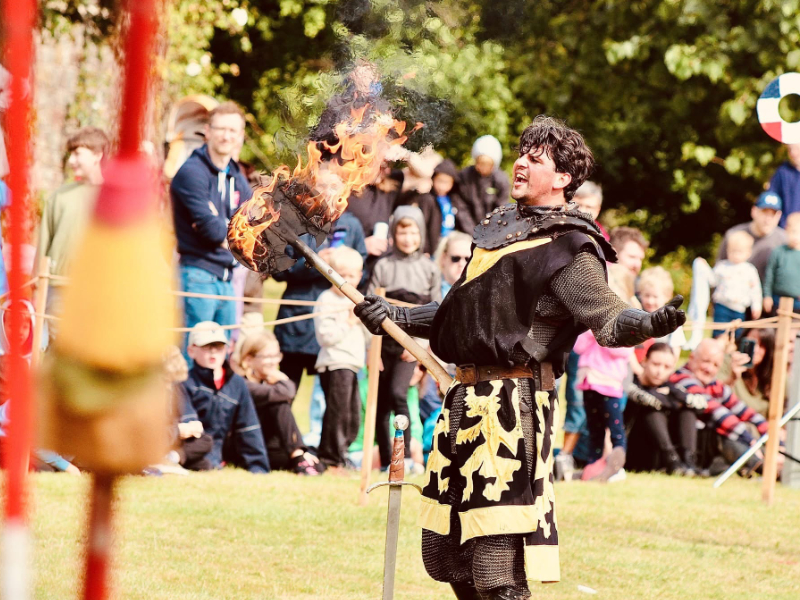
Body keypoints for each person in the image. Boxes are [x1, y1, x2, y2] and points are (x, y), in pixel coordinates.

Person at [355, 115, 685, 600]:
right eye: (521, 153)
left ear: (564, 177)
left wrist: (648, 324)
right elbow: (456, 313)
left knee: (496, 563)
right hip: (462, 401)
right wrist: (396, 316)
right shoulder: (496, 230)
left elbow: (610, 319)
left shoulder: (570, 244)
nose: (521, 163)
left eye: (537, 157)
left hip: (513, 407)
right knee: (446, 555)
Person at [170, 101, 253, 349]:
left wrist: (229, 228)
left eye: (233, 131)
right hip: (198, 275)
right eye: (221, 129)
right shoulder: (191, 172)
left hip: (227, 279)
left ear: (240, 137)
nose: (226, 136)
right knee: (194, 352)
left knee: (222, 355)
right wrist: (231, 230)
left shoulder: (237, 176)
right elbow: (211, 229)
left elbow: (251, 222)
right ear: (207, 131)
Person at [368, 205, 441, 470]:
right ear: (393, 233)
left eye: (413, 232)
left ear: (421, 233)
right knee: (381, 403)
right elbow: (369, 311)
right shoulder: (383, 266)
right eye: (402, 232)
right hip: (382, 343)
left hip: (410, 345)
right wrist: (371, 352)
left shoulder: (429, 268)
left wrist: (420, 346)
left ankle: (407, 458)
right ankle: (386, 461)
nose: (408, 238)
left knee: (400, 394)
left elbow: (437, 313)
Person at [273, 211, 366, 390]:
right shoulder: (294, 222)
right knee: (287, 388)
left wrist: (345, 268)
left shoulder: (352, 224)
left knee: (335, 397)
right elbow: (277, 270)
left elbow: (363, 271)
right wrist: (313, 264)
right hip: (297, 319)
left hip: (336, 321)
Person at [36, 126, 109, 342]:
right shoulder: (59, 197)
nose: (71, 161)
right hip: (59, 292)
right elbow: (43, 249)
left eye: (78, 154)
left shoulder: (114, 198)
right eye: (71, 154)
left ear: (97, 155)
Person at [181, 321, 270, 473]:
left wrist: (258, 467)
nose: (214, 352)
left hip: (224, 453)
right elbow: (190, 428)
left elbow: (249, 427)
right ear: (191, 351)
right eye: (207, 347)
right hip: (194, 454)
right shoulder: (184, 383)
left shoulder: (237, 383)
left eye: (219, 347)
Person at [670, 338, 767, 473]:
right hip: (692, 448)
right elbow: (717, 412)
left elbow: (744, 411)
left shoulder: (713, 385)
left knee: (745, 428)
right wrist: (750, 441)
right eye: (706, 361)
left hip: (708, 447)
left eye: (716, 365)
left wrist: (772, 437)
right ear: (692, 357)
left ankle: (772, 463)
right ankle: (766, 468)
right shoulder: (682, 378)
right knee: (730, 430)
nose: (709, 369)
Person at [313, 247, 370, 470]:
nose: (346, 280)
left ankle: (340, 453)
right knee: (337, 414)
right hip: (335, 362)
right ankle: (330, 458)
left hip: (354, 363)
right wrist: (348, 321)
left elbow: (366, 335)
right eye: (341, 275)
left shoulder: (357, 299)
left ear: (360, 275)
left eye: (352, 275)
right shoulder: (325, 299)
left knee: (352, 415)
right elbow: (325, 337)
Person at [239, 330, 322, 475]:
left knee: (318, 464)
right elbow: (288, 392)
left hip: (270, 445)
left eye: (276, 355)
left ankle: (301, 456)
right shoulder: (244, 385)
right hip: (246, 446)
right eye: (267, 356)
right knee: (279, 403)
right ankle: (299, 457)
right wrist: (281, 378)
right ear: (249, 359)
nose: (274, 361)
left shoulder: (268, 383)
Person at [625, 343, 707, 475]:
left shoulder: (671, 387)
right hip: (636, 451)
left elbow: (701, 405)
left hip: (659, 453)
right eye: (656, 364)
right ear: (645, 361)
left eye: (667, 367)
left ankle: (688, 462)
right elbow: (651, 401)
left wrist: (676, 399)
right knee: (652, 411)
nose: (660, 371)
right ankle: (672, 460)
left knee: (687, 412)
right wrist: (674, 401)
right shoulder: (631, 385)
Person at [397, 159, 470, 255]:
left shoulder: (454, 200)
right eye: (440, 181)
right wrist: (425, 249)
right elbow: (422, 225)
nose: (442, 186)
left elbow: (463, 220)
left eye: (447, 182)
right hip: (433, 247)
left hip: (449, 244)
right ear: (433, 179)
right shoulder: (428, 199)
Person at [717, 191, 785, 283]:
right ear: (754, 211)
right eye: (764, 212)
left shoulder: (785, 240)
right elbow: (719, 270)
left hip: (770, 296)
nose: (768, 219)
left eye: (773, 214)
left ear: (779, 216)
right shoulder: (734, 235)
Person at [705, 230, 763, 336]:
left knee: (735, 334)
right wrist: (704, 269)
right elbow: (712, 281)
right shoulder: (722, 266)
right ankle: (718, 350)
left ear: (748, 252)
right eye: (732, 251)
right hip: (722, 306)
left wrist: (756, 305)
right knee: (719, 332)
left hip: (739, 309)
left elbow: (755, 290)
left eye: (739, 252)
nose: (735, 255)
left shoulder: (750, 270)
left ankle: (730, 350)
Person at [455, 135, 511, 232]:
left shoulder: (501, 180)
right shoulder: (464, 177)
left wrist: (490, 232)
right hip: (466, 231)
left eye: (487, 163)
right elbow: (461, 208)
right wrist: (473, 232)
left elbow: (501, 209)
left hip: (493, 231)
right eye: (480, 162)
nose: (482, 167)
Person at [633, 266, 686, 362]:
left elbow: (675, 354)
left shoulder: (672, 321)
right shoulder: (635, 316)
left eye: (655, 296)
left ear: (667, 296)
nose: (650, 301)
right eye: (646, 295)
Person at [763, 212, 800, 315]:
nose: (796, 236)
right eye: (793, 232)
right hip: (777, 300)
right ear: (786, 230)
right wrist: (767, 296)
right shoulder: (778, 252)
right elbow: (769, 276)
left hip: (797, 303)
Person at [767, 143, 800, 228]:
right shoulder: (782, 172)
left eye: (796, 148)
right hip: (785, 229)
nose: (793, 153)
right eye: (790, 149)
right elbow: (772, 201)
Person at [435, 231, 473, 298]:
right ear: (443, 258)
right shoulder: (428, 288)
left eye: (467, 259)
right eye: (455, 258)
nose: (461, 264)